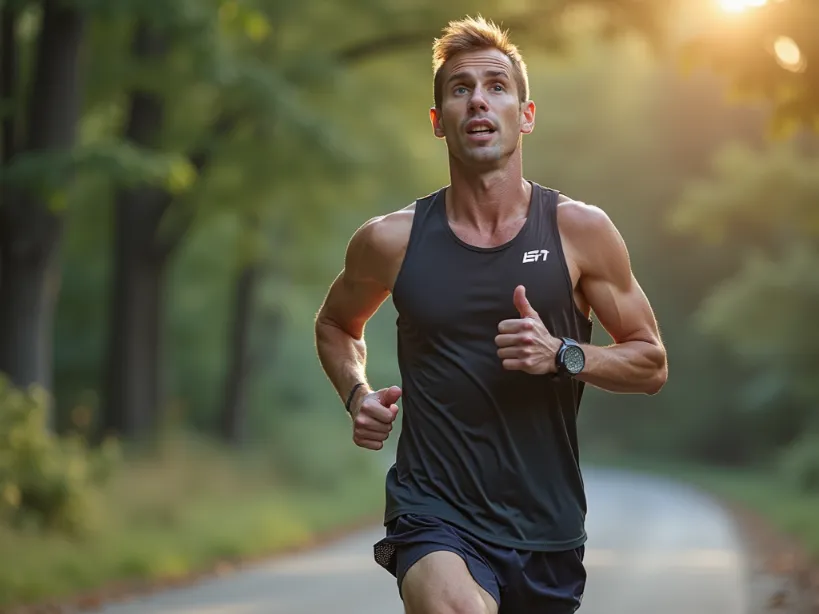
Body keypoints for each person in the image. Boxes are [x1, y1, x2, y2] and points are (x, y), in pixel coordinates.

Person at [314, 14, 668, 614]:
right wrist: (357, 394)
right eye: (460, 88)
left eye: (497, 86)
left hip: (546, 529)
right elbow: (335, 325)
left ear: (525, 115)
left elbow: (650, 362)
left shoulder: (579, 232)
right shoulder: (390, 241)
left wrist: (563, 353)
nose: (479, 98)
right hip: (432, 512)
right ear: (438, 122)